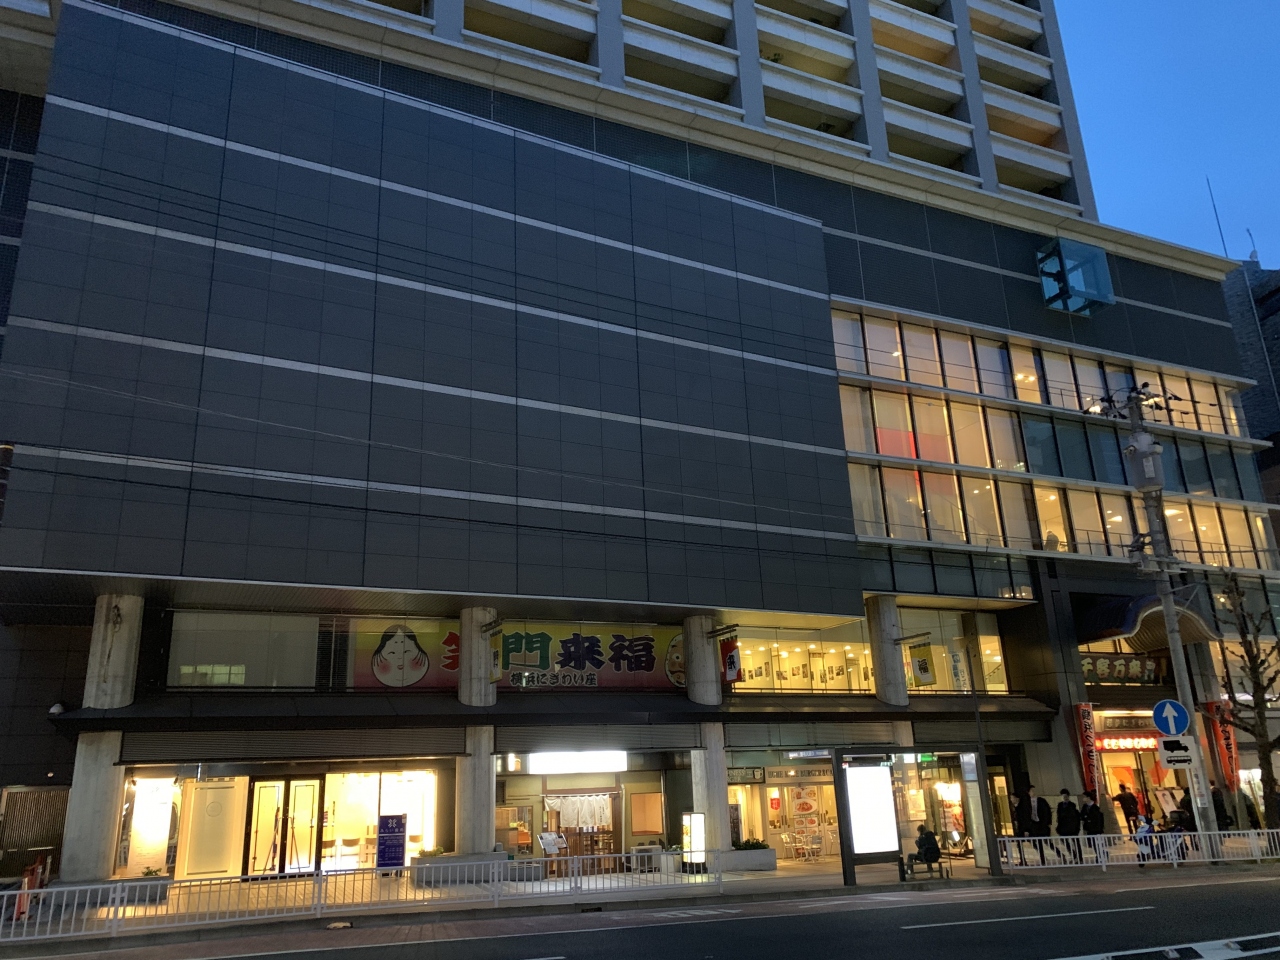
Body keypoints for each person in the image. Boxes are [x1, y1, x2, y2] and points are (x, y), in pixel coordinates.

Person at [1056, 788, 1082, 863]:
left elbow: (1073, 817)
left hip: (1072, 827)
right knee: (1065, 841)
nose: (1064, 798)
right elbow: (1059, 817)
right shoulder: (1060, 805)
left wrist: (1076, 827)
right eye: (1063, 796)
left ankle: (1079, 857)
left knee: (1076, 842)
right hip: (1063, 827)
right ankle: (1073, 854)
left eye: (1066, 796)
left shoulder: (1072, 805)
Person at [1081, 790, 1106, 863]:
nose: (1083, 798)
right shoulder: (1085, 807)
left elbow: (1097, 818)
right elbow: (1082, 815)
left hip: (1096, 829)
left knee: (1097, 843)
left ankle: (1101, 855)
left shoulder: (1096, 807)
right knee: (1092, 843)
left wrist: (1087, 818)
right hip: (1089, 829)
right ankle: (1099, 855)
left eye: (1084, 797)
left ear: (1088, 798)